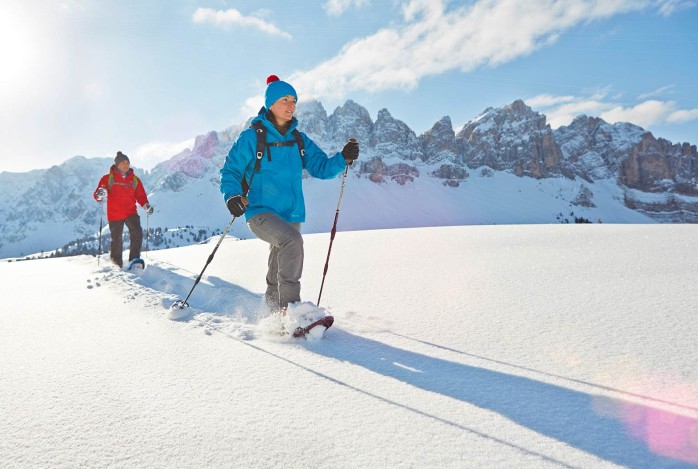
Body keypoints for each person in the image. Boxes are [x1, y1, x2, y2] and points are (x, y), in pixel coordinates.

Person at [220, 75, 359, 314]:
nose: (291, 105)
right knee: (291, 242)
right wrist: (232, 196)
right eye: (284, 99)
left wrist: (342, 158)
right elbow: (231, 170)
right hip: (260, 211)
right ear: (270, 103)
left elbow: (321, 168)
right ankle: (293, 311)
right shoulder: (253, 136)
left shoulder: (298, 139)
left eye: (294, 100)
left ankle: (273, 314)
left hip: (291, 212)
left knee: (280, 259)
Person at [93, 151, 154, 268]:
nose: (126, 165)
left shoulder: (135, 180)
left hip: (131, 212)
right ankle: (116, 263)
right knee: (116, 239)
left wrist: (146, 206)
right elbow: (98, 195)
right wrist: (100, 194)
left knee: (137, 232)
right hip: (114, 214)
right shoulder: (107, 178)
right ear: (117, 165)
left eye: (128, 162)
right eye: (123, 163)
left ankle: (134, 260)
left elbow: (141, 196)